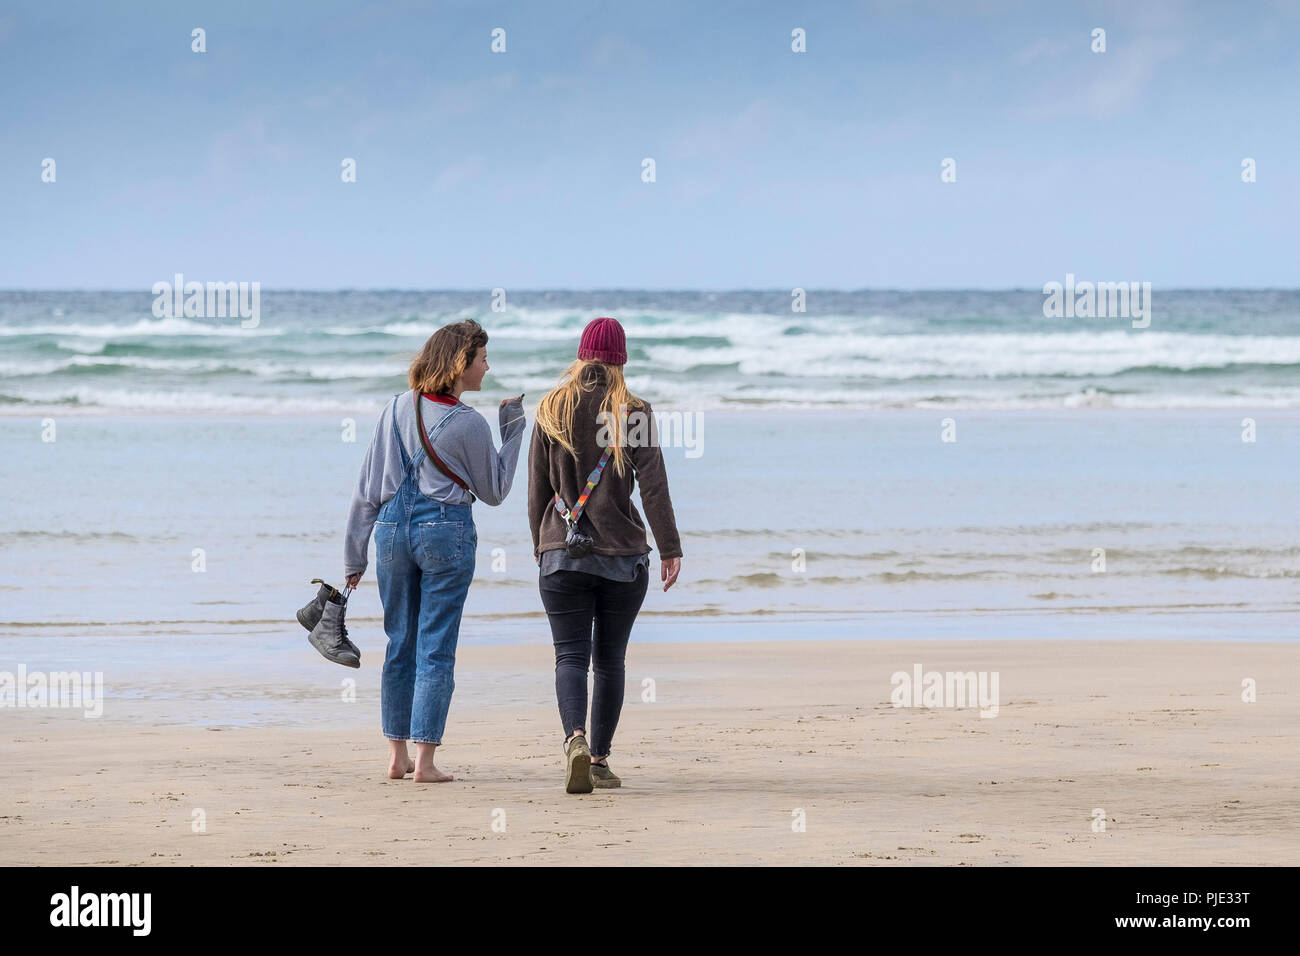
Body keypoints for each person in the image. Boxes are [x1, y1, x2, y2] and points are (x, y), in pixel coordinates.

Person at [342, 319, 525, 782]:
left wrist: (353, 558)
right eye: (483, 358)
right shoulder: (469, 423)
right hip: (445, 532)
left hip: (389, 534)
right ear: (461, 363)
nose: (488, 366)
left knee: (399, 643)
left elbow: (366, 489)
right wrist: (515, 431)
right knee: (436, 647)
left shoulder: (395, 408)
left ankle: (396, 756)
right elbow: (496, 490)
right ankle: (425, 762)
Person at [528, 316, 682, 794]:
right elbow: (654, 488)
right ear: (621, 360)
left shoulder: (551, 407)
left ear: (581, 354)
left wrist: (544, 543)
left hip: (562, 555)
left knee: (569, 656)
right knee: (610, 660)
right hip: (621, 558)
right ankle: (598, 760)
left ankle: (573, 738)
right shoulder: (632, 411)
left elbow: (536, 491)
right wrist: (670, 549)